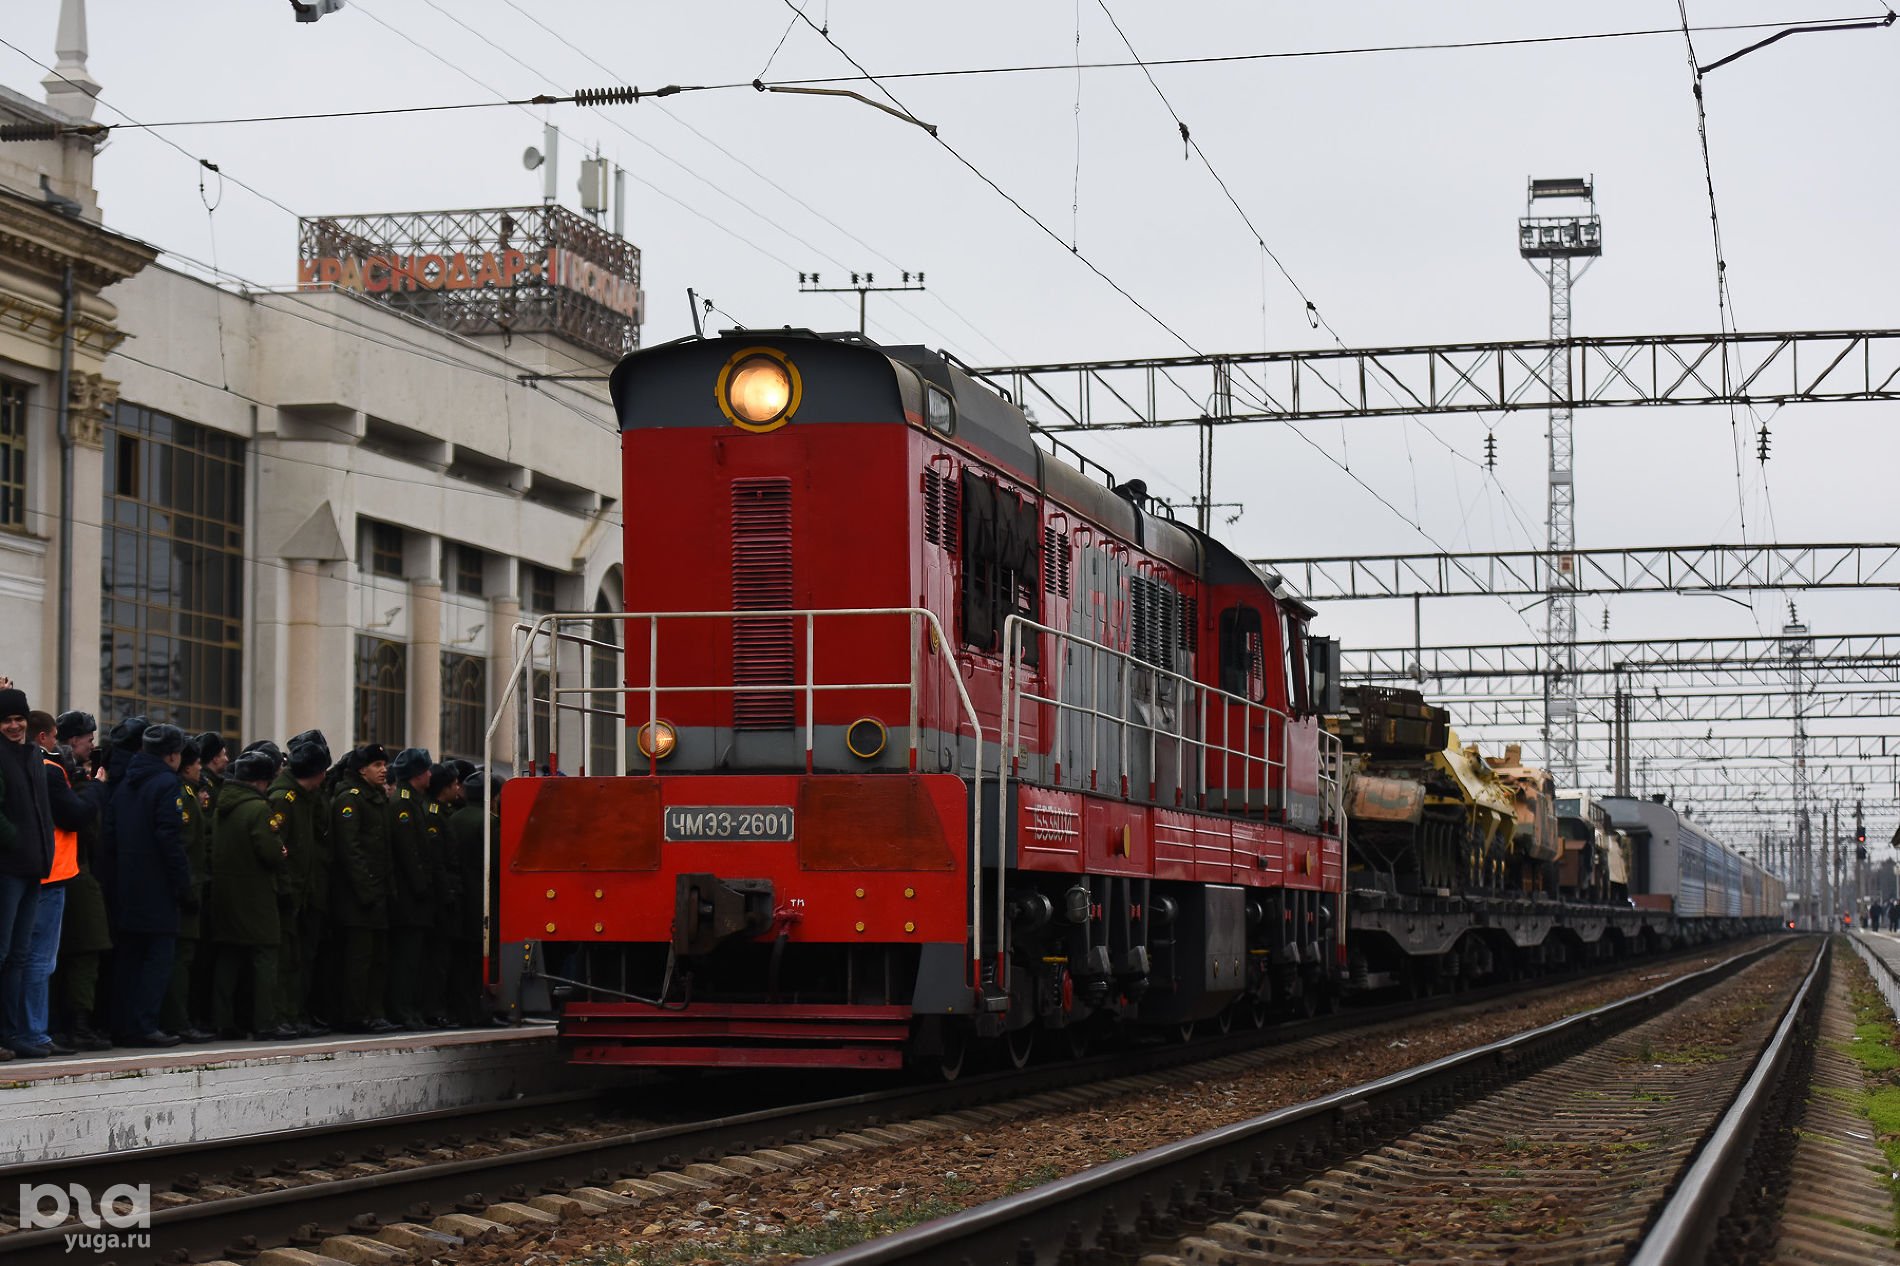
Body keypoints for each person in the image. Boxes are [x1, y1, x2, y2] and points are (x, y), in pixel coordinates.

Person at [12, 712, 97, 1057]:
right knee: (38, 960)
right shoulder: (50, 770)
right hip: (51, 873)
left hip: (37, 870)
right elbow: (76, 814)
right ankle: (33, 1031)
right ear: (45, 737)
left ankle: (30, 1030)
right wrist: (96, 788)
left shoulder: (31, 768)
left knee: (26, 957)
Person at [106, 723, 193, 1047]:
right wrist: (183, 885)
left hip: (127, 883)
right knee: (157, 959)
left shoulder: (127, 782)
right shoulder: (167, 784)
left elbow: (110, 835)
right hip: (157, 886)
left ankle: (124, 1025)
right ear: (172, 755)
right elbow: (169, 838)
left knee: (128, 958)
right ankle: (145, 1024)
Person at [209, 751, 294, 1040]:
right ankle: (265, 1021)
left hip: (225, 892)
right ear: (261, 781)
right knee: (265, 955)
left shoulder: (224, 804)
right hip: (256, 895)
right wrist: (281, 850)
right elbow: (270, 852)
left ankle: (223, 1020)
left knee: (228, 956)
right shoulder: (258, 809)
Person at [51, 712, 111, 1051]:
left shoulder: (56, 772)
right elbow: (86, 826)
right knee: (86, 949)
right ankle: (78, 1025)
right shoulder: (69, 778)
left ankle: (64, 1024)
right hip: (74, 872)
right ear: (73, 740)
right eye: (88, 738)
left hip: (63, 872)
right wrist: (94, 788)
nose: (92, 744)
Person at [0, 687, 54, 1061]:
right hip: (8, 868)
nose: (15, 725)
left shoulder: (33, 755)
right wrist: (17, 841)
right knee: (3, 954)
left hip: (33, 867)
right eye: (7, 720)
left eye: (19, 718)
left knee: (19, 955)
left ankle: (12, 1033)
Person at [331, 745, 395, 1034]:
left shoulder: (376, 798)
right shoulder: (350, 799)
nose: (384, 769)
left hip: (378, 893)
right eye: (377, 764)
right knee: (358, 960)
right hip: (359, 898)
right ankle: (355, 1015)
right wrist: (367, 892)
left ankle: (374, 1011)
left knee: (378, 959)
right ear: (361, 770)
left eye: (384, 764)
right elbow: (350, 850)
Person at [269, 741, 330, 1036]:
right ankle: (282, 1014)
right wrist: (286, 890)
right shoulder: (285, 799)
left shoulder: (305, 797)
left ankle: (294, 1014)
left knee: (300, 958)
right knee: (286, 960)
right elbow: (279, 852)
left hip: (303, 891)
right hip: (288, 893)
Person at [161, 741, 214, 1043]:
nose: (199, 768)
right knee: (180, 958)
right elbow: (182, 845)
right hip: (185, 888)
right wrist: (188, 887)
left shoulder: (190, 794)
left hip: (191, 885)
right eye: (195, 763)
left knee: (185, 956)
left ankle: (180, 1017)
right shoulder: (183, 795)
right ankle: (177, 1019)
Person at [384, 747, 436, 1029]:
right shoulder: (403, 804)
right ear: (417, 774)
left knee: (415, 959)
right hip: (408, 897)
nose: (430, 774)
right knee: (405, 959)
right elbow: (408, 851)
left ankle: (410, 1009)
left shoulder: (415, 800)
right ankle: (401, 1010)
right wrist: (421, 886)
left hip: (415, 897)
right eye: (426, 769)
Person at [425, 764, 462, 1027]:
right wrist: (446, 891)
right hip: (439, 895)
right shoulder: (434, 815)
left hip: (446, 891)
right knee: (436, 958)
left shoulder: (446, 813)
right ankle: (433, 1008)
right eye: (454, 784)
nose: (458, 788)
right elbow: (437, 860)